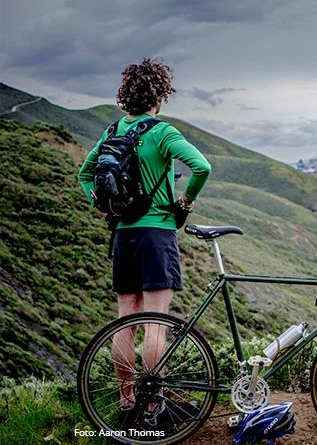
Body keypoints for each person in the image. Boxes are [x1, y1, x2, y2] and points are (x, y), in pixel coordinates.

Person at [77, 58, 211, 423]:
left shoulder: (113, 131)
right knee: (156, 321)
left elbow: (85, 173)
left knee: (126, 320)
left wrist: (102, 206)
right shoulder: (162, 133)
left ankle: (125, 404)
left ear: (126, 95)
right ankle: (154, 407)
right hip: (157, 233)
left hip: (123, 234)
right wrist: (186, 201)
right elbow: (202, 167)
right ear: (160, 95)